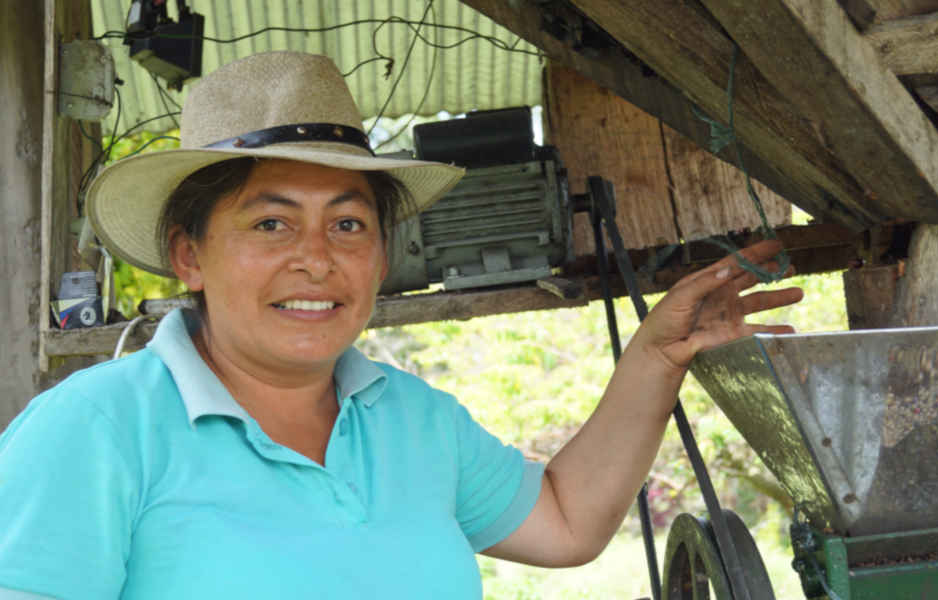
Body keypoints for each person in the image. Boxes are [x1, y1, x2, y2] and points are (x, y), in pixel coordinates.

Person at [0, 51, 803, 598]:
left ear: (385, 257)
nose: (317, 260)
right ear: (189, 256)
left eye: (348, 225)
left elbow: (564, 521)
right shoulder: (95, 429)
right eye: (271, 225)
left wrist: (657, 357)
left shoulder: (411, 418)